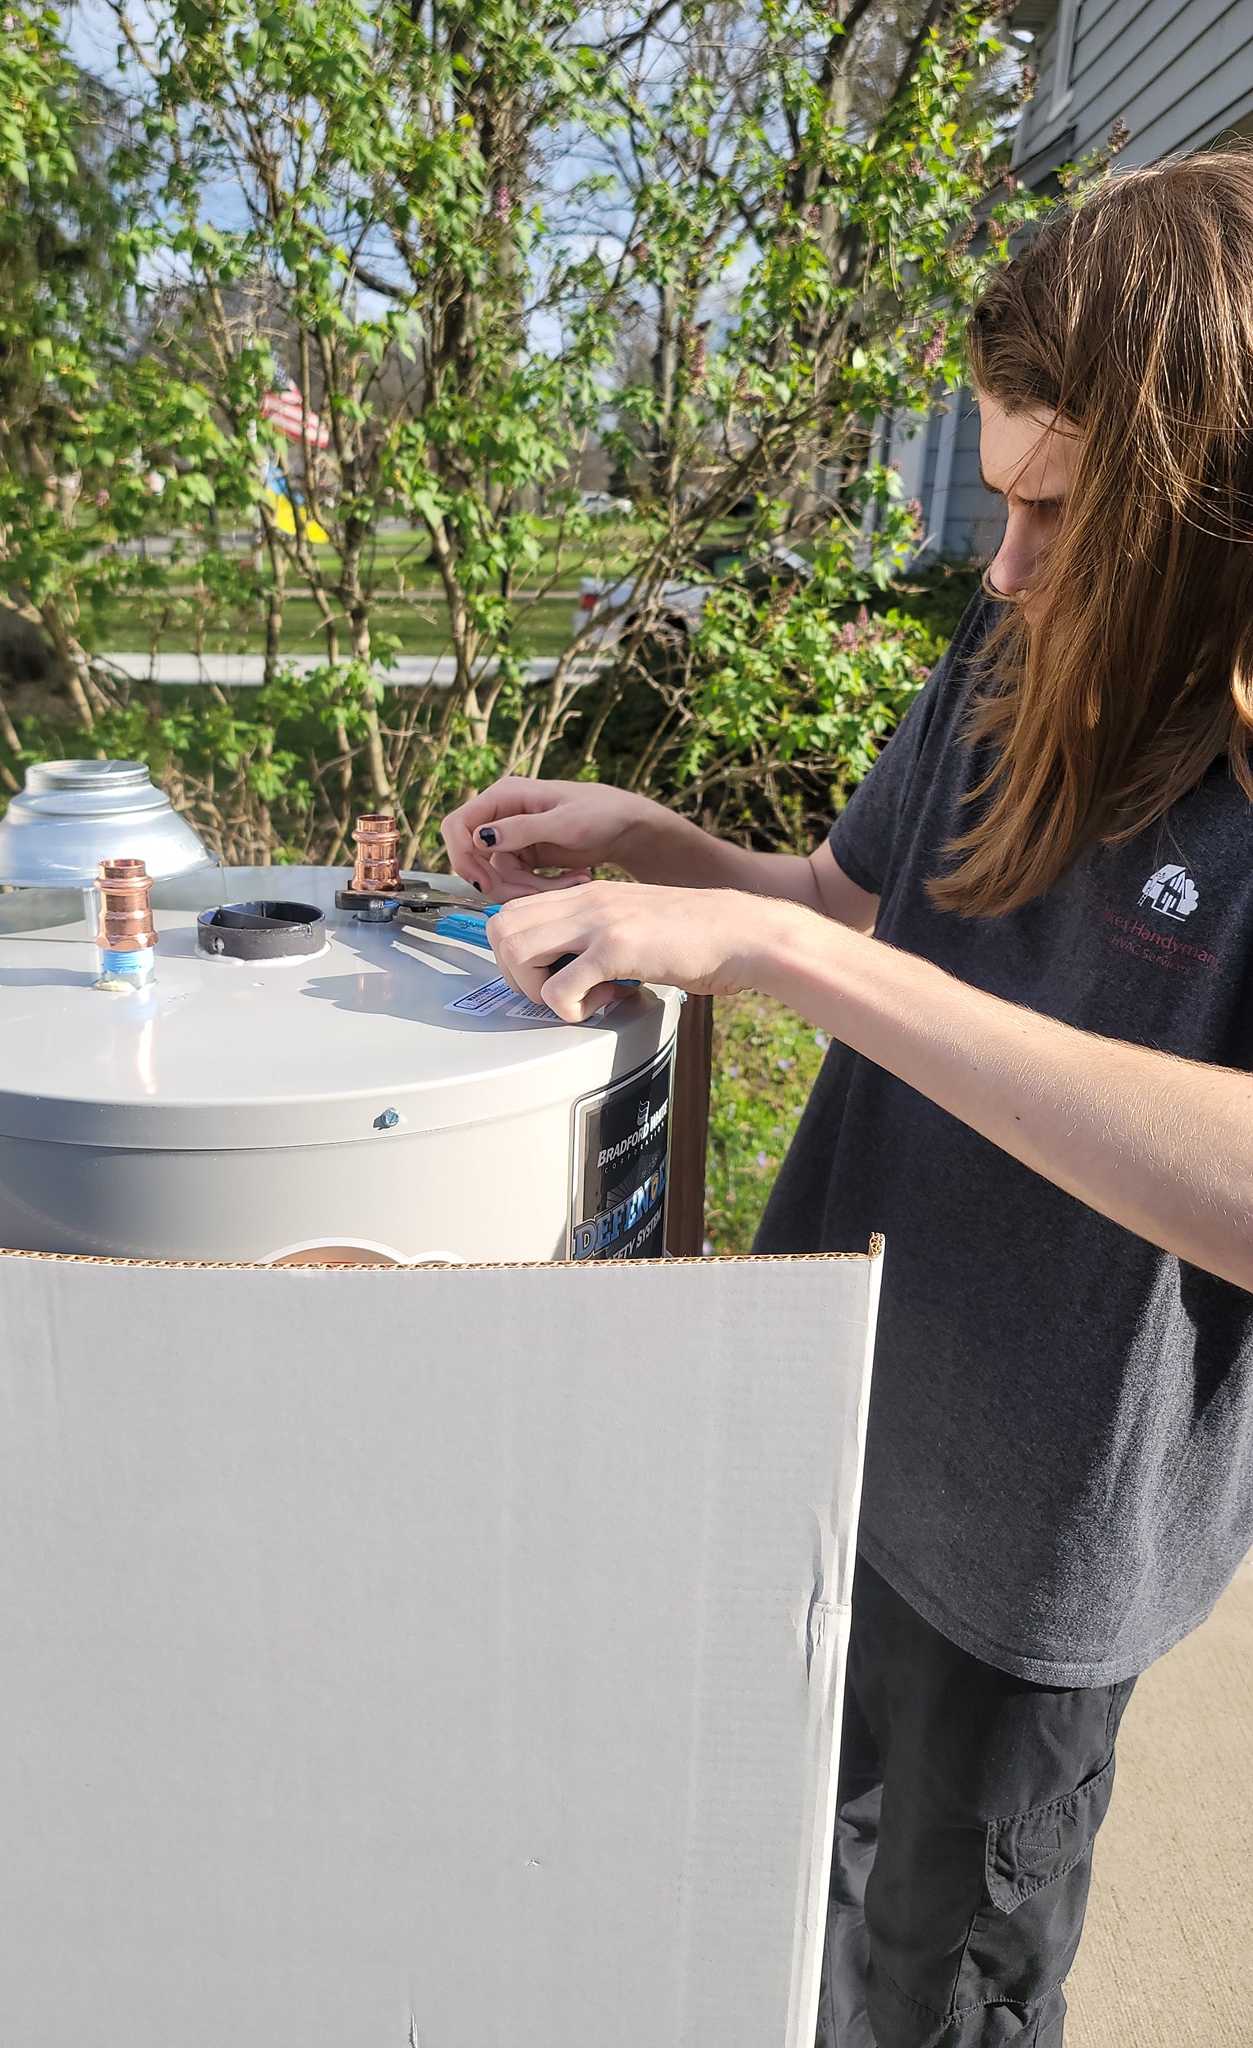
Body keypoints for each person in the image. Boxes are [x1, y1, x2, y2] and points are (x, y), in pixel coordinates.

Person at [440, 154, 1253, 2048]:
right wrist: (677, 857)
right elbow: (865, 913)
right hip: (840, 1424)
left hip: (1031, 1557)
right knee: (781, 1898)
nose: (1008, 563)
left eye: (1068, 513)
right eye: (999, 491)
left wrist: (801, 970)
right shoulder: (1007, 651)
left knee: (940, 1991)